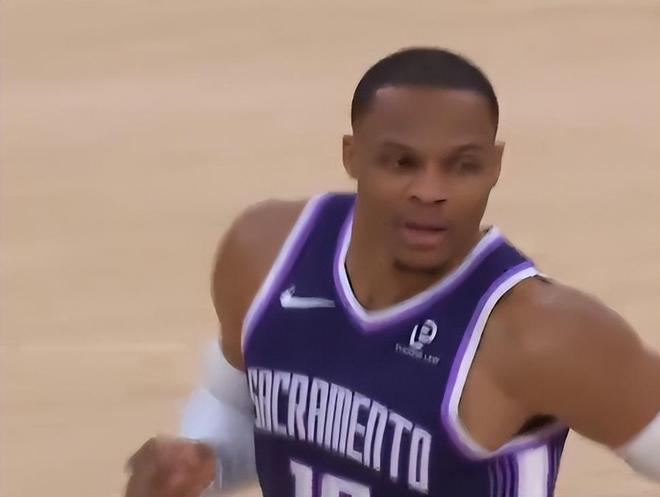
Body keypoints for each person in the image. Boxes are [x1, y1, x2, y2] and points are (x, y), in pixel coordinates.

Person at [124, 47, 660, 497]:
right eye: (402, 163)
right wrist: (201, 468)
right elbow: (239, 407)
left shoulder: (539, 335)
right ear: (352, 155)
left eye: (463, 166)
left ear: (495, 167)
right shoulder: (265, 254)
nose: (430, 191)